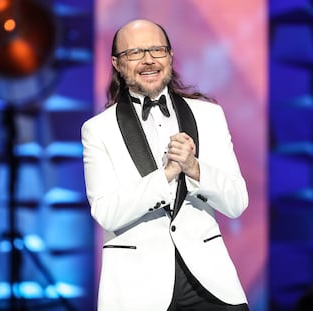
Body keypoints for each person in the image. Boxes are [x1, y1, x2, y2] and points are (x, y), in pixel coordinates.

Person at [81, 19, 250, 311]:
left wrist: (194, 169)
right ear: (117, 64)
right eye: (135, 53)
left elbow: (236, 203)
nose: (148, 60)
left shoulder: (209, 115)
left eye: (157, 50)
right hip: (136, 290)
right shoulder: (98, 130)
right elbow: (106, 213)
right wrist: (168, 174)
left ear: (170, 56)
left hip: (211, 284)